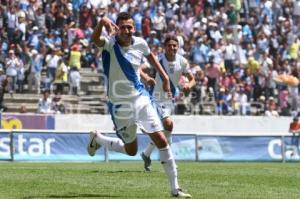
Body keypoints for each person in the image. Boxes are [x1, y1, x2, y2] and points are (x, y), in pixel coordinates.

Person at [87, 12, 191, 198]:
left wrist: (165, 77)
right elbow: (94, 38)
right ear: (117, 28)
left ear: (134, 28)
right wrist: (102, 22)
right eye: (123, 27)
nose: (127, 30)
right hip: (120, 106)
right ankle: (98, 139)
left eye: (130, 27)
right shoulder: (110, 44)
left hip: (141, 99)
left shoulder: (140, 43)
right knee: (131, 150)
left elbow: (150, 58)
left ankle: (175, 189)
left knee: (161, 139)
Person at [139, 35, 196, 171]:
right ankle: (169, 160)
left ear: (178, 47)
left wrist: (189, 85)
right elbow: (139, 68)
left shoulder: (182, 62)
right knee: (168, 125)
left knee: (160, 131)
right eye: (169, 45)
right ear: (165, 47)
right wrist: (146, 77)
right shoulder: (158, 60)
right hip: (155, 98)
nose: (172, 48)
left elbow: (192, 79)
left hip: (169, 99)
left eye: (174, 45)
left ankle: (146, 154)